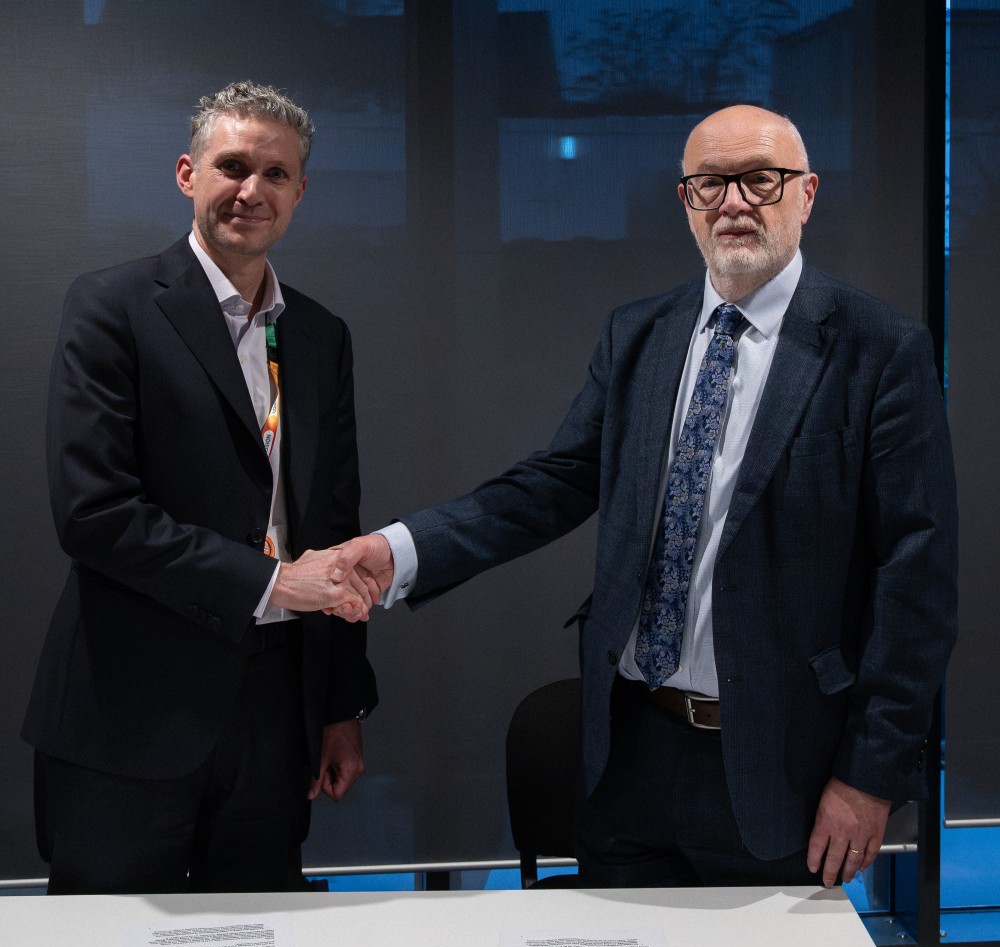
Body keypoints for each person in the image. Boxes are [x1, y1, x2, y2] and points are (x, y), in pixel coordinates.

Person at [332, 105, 958, 888]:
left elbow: (918, 581)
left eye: (760, 179)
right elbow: (553, 484)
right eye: (709, 184)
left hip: (779, 762)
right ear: (685, 202)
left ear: (806, 193)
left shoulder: (879, 348)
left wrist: (869, 776)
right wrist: (398, 551)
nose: (734, 202)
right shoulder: (639, 335)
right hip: (629, 749)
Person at [22, 81, 379, 894]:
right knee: (104, 946)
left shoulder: (320, 337)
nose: (252, 190)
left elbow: (332, 525)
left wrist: (338, 705)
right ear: (188, 175)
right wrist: (272, 580)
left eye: (276, 174)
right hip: (128, 710)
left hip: (275, 713)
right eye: (232, 166)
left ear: (299, 192)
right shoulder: (111, 307)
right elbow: (94, 514)